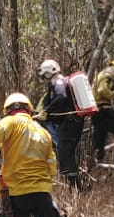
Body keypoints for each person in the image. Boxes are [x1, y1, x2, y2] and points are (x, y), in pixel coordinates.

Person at [36, 59, 84, 189]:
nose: (44, 78)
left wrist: (47, 111)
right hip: (70, 124)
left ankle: (76, 188)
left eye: (45, 74)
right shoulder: (59, 82)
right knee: (67, 156)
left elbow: (61, 97)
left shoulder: (58, 81)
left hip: (70, 124)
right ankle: (76, 187)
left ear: (49, 72)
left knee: (65, 156)